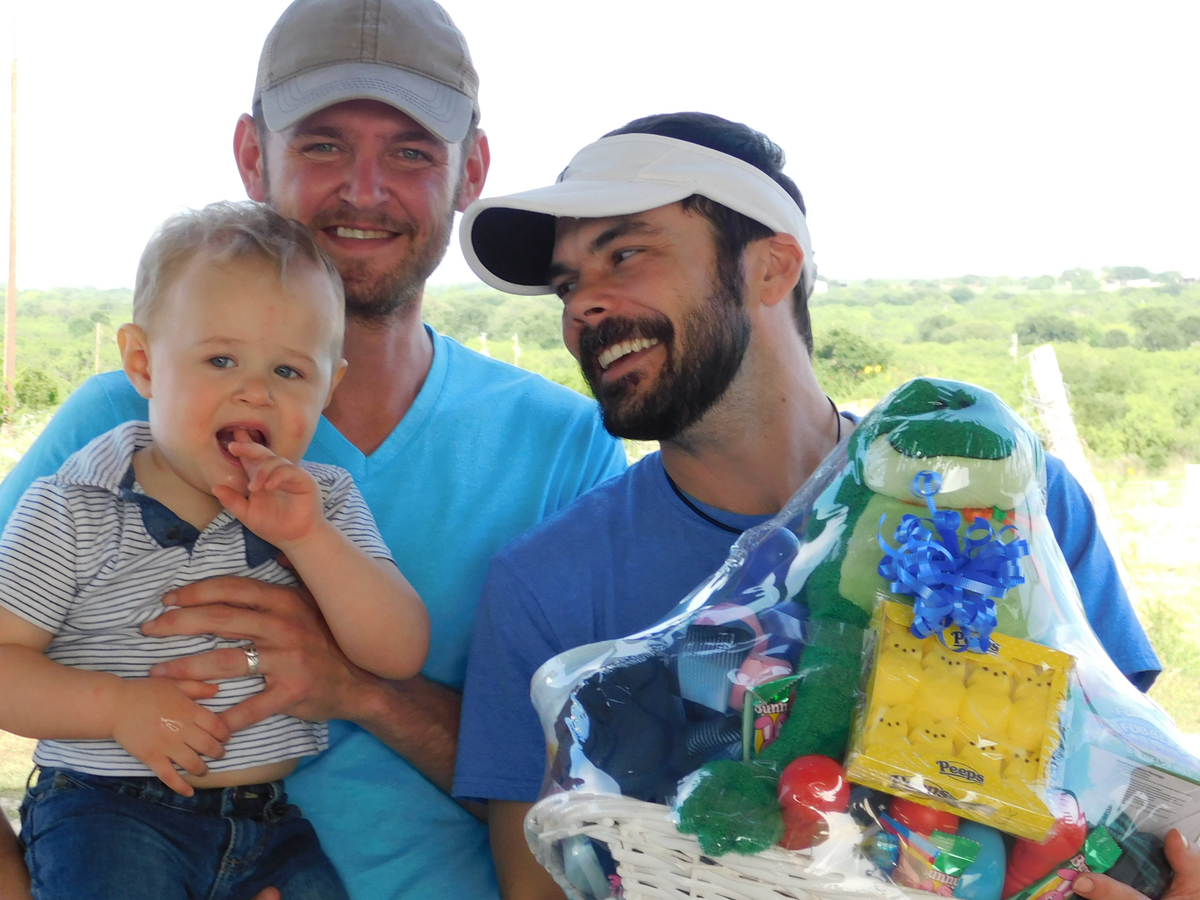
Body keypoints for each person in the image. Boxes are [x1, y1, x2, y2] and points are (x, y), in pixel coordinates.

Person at [451, 112, 1164, 899]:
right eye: (567, 285)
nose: (582, 306)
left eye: (624, 254)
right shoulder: (548, 585)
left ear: (772, 268)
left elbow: (1129, 807)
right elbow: (541, 885)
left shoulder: (1002, 506)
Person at [0, 1, 625, 898]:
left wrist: (356, 688)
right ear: (253, 156)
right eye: (323, 145)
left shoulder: (567, 447)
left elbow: (602, 782)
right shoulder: (115, 429)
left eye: (411, 152)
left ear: (472, 171)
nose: (364, 190)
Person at [0, 201, 432, 899]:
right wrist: (116, 707)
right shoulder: (75, 503)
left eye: (290, 372)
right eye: (221, 360)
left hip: (268, 824)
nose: (254, 391)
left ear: (330, 386)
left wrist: (309, 539)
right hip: (107, 812)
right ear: (143, 363)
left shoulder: (322, 502)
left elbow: (397, 651)